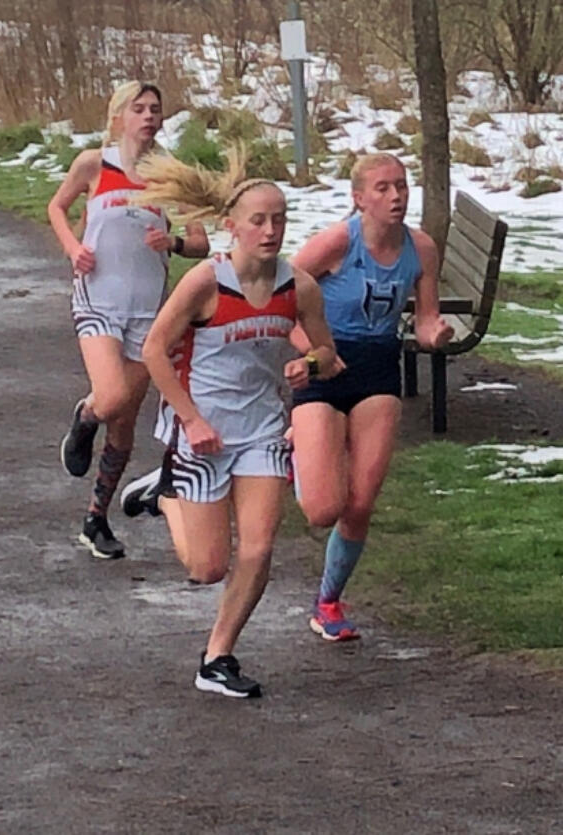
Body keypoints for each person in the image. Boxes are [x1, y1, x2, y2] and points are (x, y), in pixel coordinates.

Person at [128, 148, 338, 697]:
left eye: (280, 220)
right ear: (233, 228)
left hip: (262, 431)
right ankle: (166, 495)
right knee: (206, 568)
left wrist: (306, 364)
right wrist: (190, 419)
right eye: (259, 221)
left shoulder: (300, 288)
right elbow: (154, 350)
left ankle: (218, 657)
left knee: (260, 548)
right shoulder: (206, 282)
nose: (270, 231)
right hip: (201, 431)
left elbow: (329, 356)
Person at [288, 152, 454, 641]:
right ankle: (300, 439)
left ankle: (328, 602)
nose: (396, 196)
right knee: (321, 509)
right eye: (382, 188)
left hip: (379, 370)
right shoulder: (339, 242)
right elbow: (280, 294)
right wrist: (312, 352)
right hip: (327, 366)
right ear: (359, 198)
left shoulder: (420, 248)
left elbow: (425, 318)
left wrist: (433, 333)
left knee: (360, 503)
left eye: (401, 186)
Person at [46, 81, 208, 559]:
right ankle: (84, 416)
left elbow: (199, 242)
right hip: (97, 298)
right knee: (110, 397)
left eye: (155, 109)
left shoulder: (170, 175)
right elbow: (57, 206)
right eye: (138, 109)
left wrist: (174, 244)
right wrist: (74, 249)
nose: (149, 117)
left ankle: (96, 519)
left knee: (123, 426)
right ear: (118, 116)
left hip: (147, 312)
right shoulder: (94, 164)